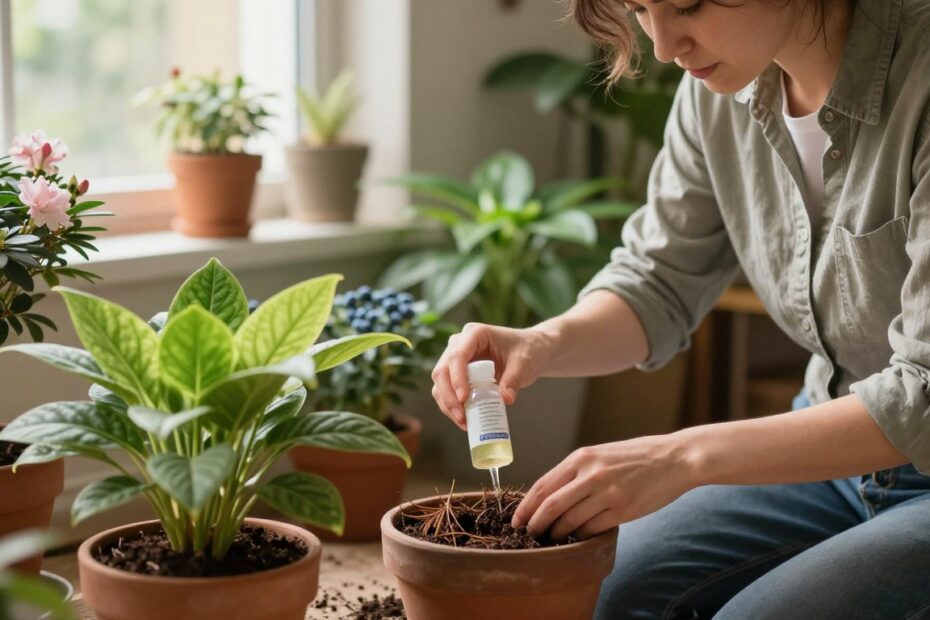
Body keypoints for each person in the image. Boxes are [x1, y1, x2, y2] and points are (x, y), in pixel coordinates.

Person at [429, 0, 930, 617]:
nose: (664, 47)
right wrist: (543, 342)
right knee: (598, 591)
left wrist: (679, 457)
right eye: (641, 9)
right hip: (827, 456)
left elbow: (924, 392)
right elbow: (658, 281)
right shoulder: (721, 90)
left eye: (687, 5)